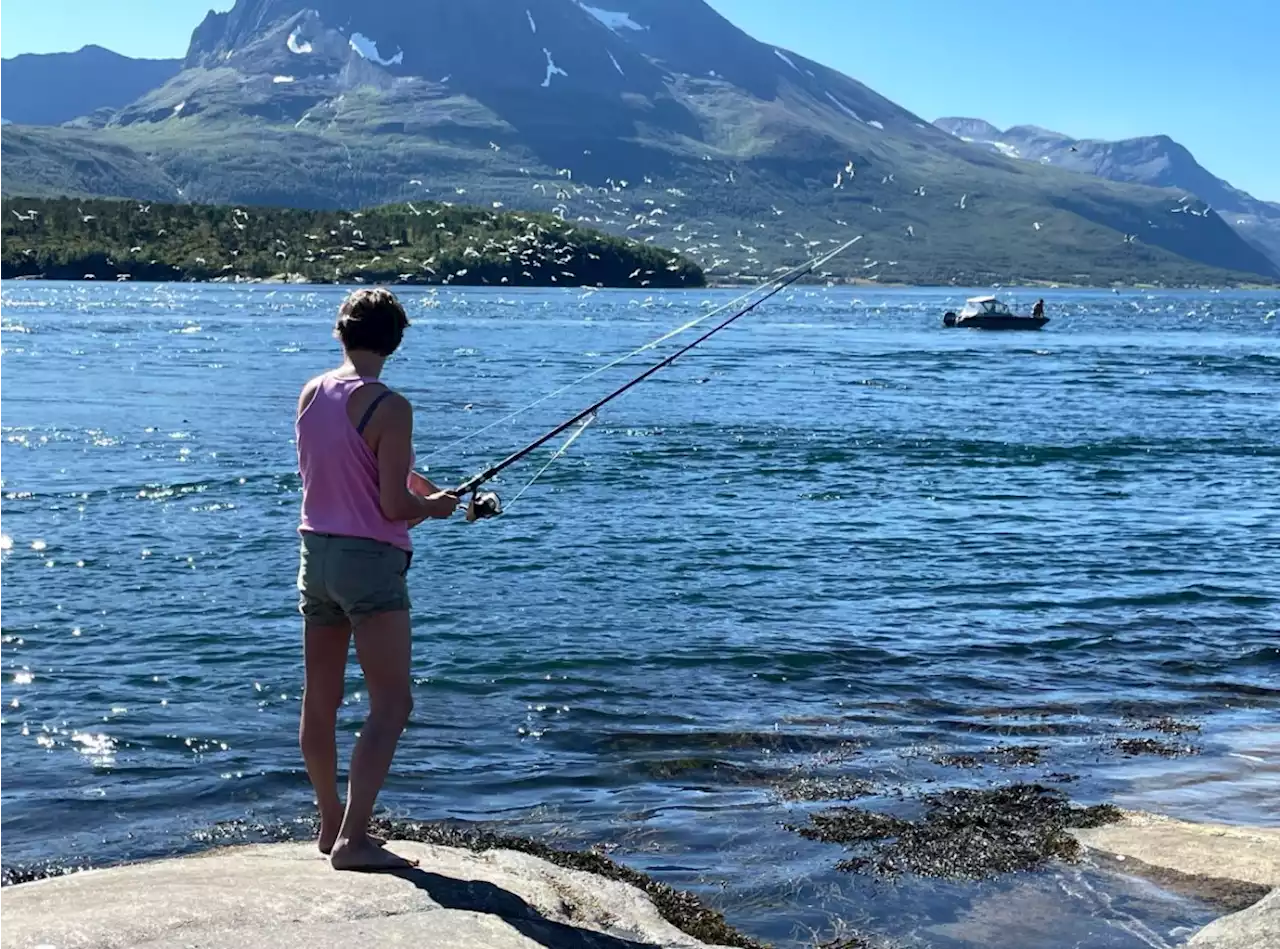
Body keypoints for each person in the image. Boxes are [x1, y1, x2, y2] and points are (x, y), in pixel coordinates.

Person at [294, 287, 459, 870]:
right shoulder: (390, 405)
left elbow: (350, 466)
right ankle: (354, 842)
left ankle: (328, 820)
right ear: (395, 341)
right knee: (392, 703)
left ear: (342, 332)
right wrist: (435, 507)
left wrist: (420, 487)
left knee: (322, 700)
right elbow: (390, 505)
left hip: (316, 556)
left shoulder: (312, 393)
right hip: (370, 565)